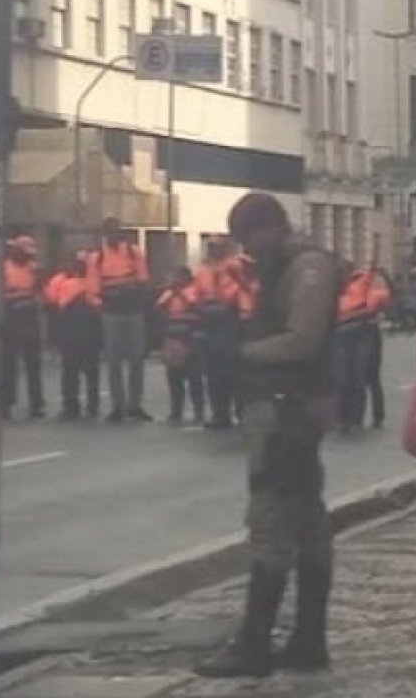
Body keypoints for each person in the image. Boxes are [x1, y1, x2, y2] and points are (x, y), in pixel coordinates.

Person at [195, 192, 339, 679]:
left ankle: (256, 643)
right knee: (302, 521)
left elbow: (304, 338)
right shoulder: (289, 267)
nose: (250, 251)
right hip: (288, 407)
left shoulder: (306, 268)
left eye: (252, 238)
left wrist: (244, 354)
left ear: (272, 227)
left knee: (274, 518)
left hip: (285, 411)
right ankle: (306, 639)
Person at [87, 217, 152, 423]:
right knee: (114, 361)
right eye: (109, 231)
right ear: (104, 234)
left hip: (133, 311)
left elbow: (143, 280)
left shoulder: (134, 253)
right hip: (111, 313)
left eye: (116, 230)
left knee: (136, 360)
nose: (113, 235)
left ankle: (135, 404)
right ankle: (118, 406)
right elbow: (93, 290)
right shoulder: (96, 258)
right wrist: (106, 301)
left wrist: (126, 290)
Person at [195, 236, 245, 429]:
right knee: (213, 370)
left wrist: (227, 303)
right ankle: (220, 413)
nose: (213, 251)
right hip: (209, 319)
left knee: (233, 368)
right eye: (211, 247)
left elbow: (241, 289)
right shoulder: (203, 270)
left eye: (217, 247)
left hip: (230, 318)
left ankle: (240, 411)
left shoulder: (235, 266)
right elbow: (197, 293)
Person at [334, 262, 390, 434]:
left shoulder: (363, 287)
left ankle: (371, 417)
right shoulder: (334, 292)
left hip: (365, 334)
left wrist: (348, 317)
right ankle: (343, 419)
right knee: (342, 378)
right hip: (341, 336)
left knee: (365, 377)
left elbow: (373, 307)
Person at [45, 252, 102, 421]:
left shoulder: (94, 281)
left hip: (90, 328)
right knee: (70, 370)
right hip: (69, 327)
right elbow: (51, 301)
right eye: (77, 263)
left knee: (91, 370)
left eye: (83, 264)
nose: (80, 267)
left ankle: (93, 406)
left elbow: (99, 303)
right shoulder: (59, 280)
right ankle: (70, 406)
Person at [1, 235, 45, 420]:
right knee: (8, 365)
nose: (27, 258)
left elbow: (40, 292)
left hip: (30, 319)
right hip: (10, 318)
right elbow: (1, 294)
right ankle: (6, 403)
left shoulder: (34, 268)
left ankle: (36, 404)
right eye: (24, 254)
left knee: (33, 364)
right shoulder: (4, 268)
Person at [157, 266, 205, 426]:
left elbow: (196, 307)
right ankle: (176, 410)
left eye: (178, 276)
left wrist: (181, 295)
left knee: (194, 378)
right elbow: (159, 310)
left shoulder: (195, 290)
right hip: (172, 339)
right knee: (174, 378)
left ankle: (199, 411)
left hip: (190, 338)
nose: (175, 279)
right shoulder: (168, 293)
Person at [364, 266, 392, 428]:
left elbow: (378, 301)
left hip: (370, 332)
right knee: (367, 378)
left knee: (372, 377)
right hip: (363, 330)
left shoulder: (377, 284)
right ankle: (357, 417)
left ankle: (378, 415)